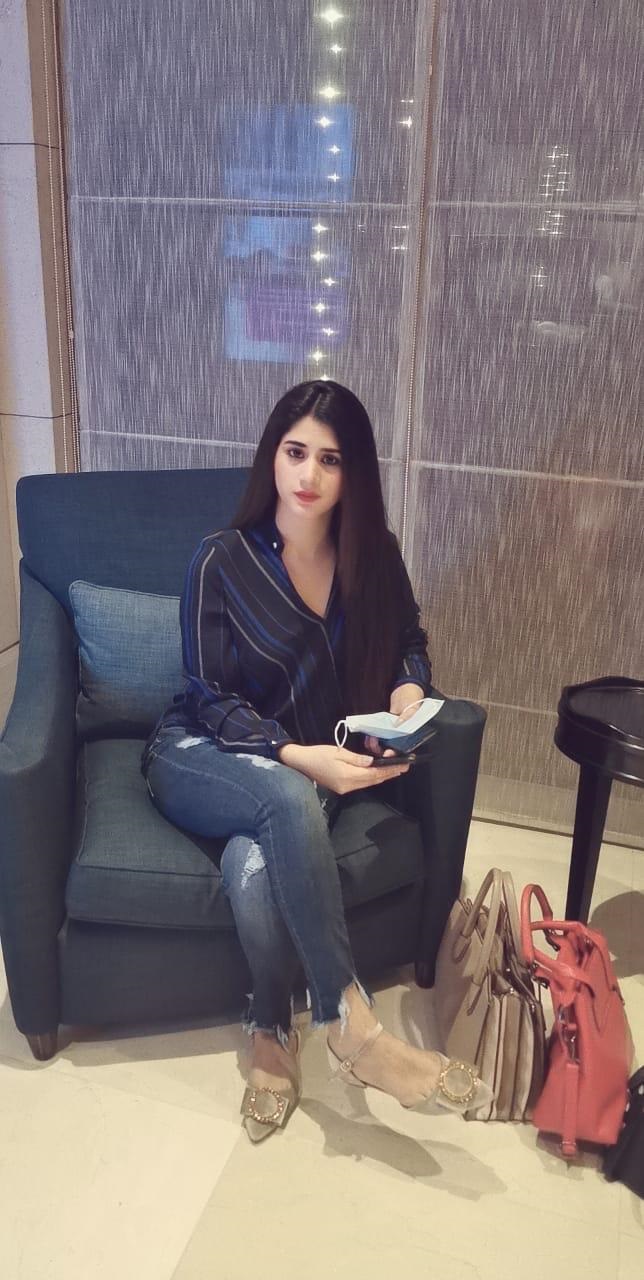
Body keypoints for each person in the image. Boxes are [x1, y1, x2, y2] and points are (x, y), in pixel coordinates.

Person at [141, 380, 491, 1141]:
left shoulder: (376, 556)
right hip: (203, 750)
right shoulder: (221, 559)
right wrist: (302, 758)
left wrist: (407, 690)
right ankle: (352, 1028)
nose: (308, 474)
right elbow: (207, 696)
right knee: (288, 795)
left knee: (254, 867)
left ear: (352, 472)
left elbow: (409, 639)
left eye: (329, 460)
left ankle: (271, 1028)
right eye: (295, 452)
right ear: (272, 456)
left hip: (312, 764)